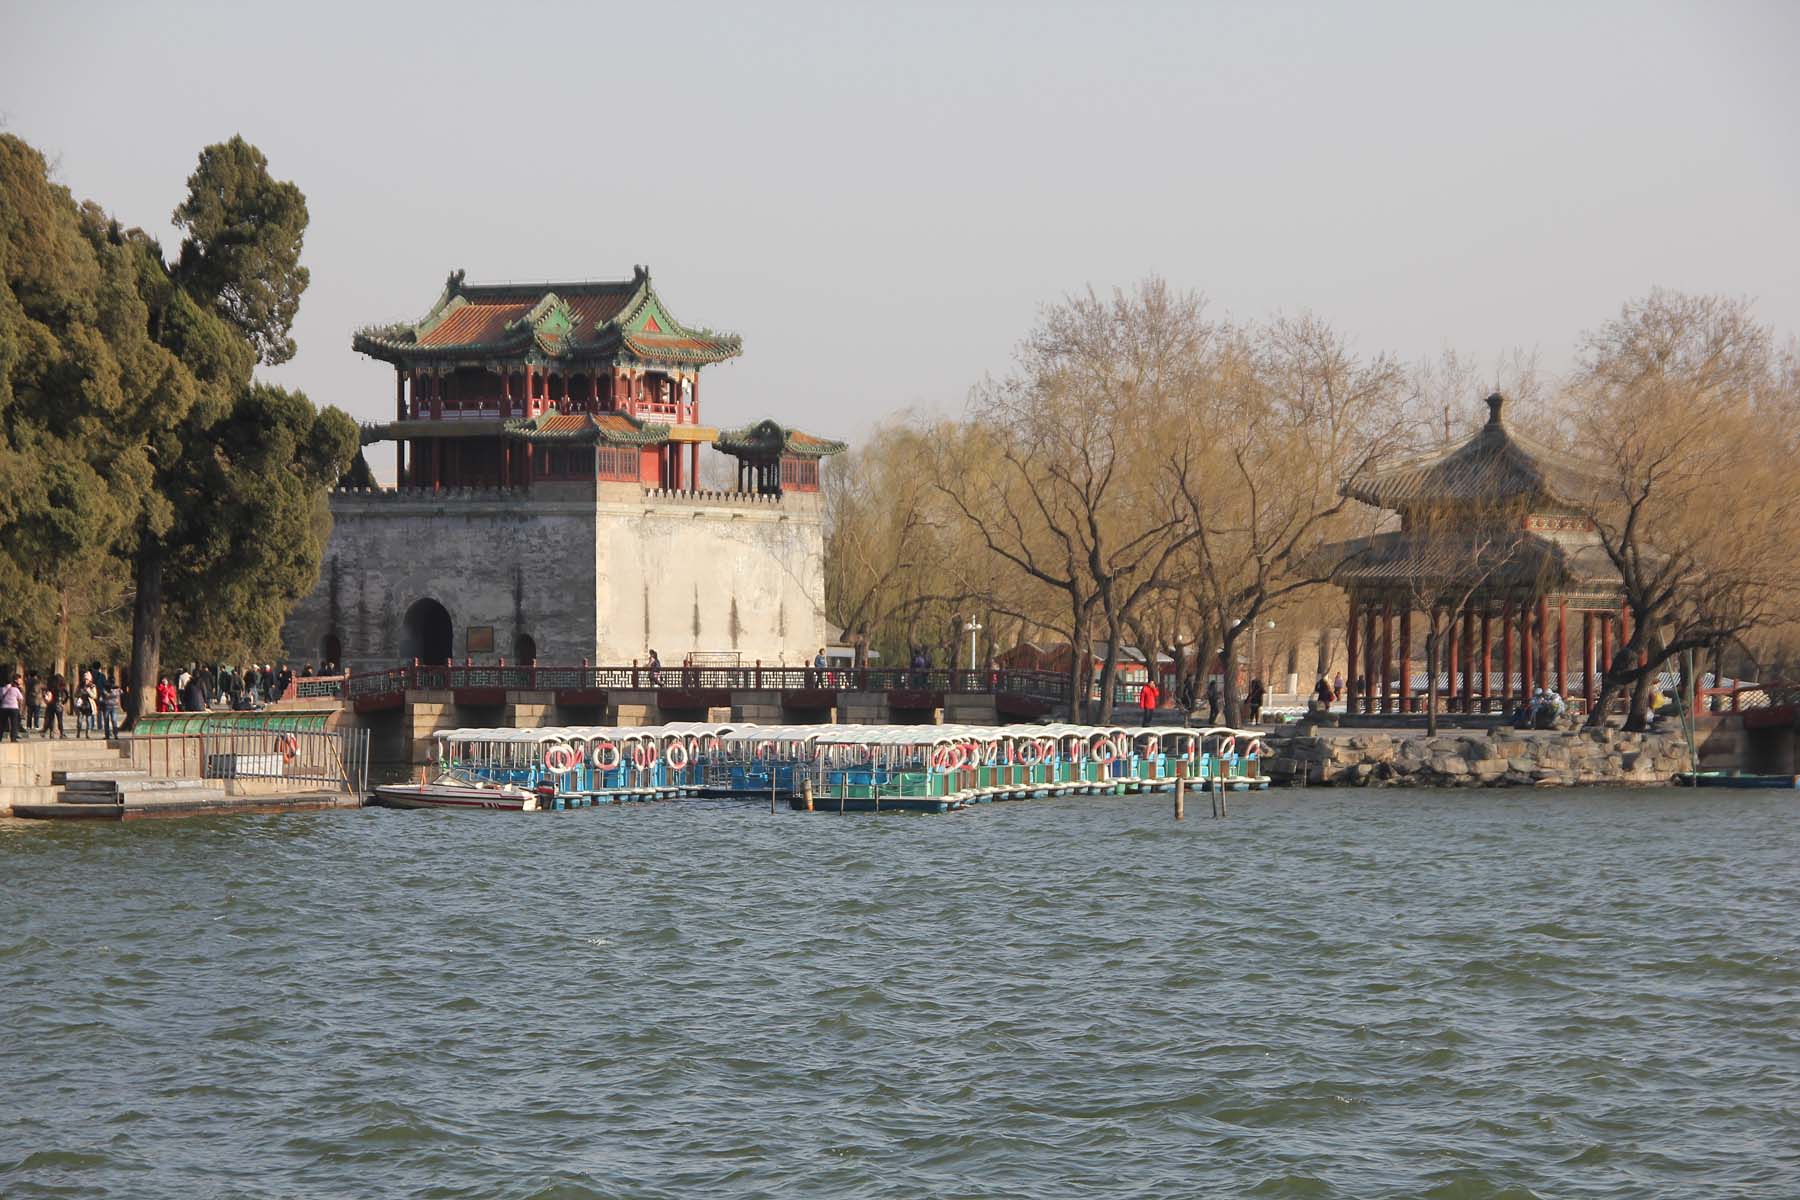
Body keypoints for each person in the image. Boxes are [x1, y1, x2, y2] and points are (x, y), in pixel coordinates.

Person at [74, 670, 98, 738]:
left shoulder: (92, 686)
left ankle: (88, 734)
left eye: (87, 679)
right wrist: (80, 693)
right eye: (85, 679)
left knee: (89, 720)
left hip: (89, 705)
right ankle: (78, 732)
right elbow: (75, 694)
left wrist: (89, 691)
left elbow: (95, 696)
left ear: (90, 679)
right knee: (79, 720)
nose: (86, 681)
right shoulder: (80, 685)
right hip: (81, 705)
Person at [42, 674, 65, 739]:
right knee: (60, 719)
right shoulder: (61, 688)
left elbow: (46, 695)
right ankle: (61, 733)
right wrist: (63, 702)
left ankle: (51, 733)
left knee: (51, 719)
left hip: (50, 704)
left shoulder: (50, 688)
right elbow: (66, 695)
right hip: (58, 705)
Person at [1, 674, 22, 743]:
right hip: (14, 708)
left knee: (2, 724)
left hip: (3, 708)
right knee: (14, 724)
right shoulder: (15, 689)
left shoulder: (2, 689)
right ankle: (13, 738)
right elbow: (20, 698)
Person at [100, 674, 123, 739]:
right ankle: (107, 735)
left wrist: (114, 690)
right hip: (106, 706)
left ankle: (115, 734)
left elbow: (121, 692)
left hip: (114, 707)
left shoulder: (116, 688)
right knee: (106, 721)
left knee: (114, 720)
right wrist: (111, 691)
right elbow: (105, 695)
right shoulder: (105, 688)